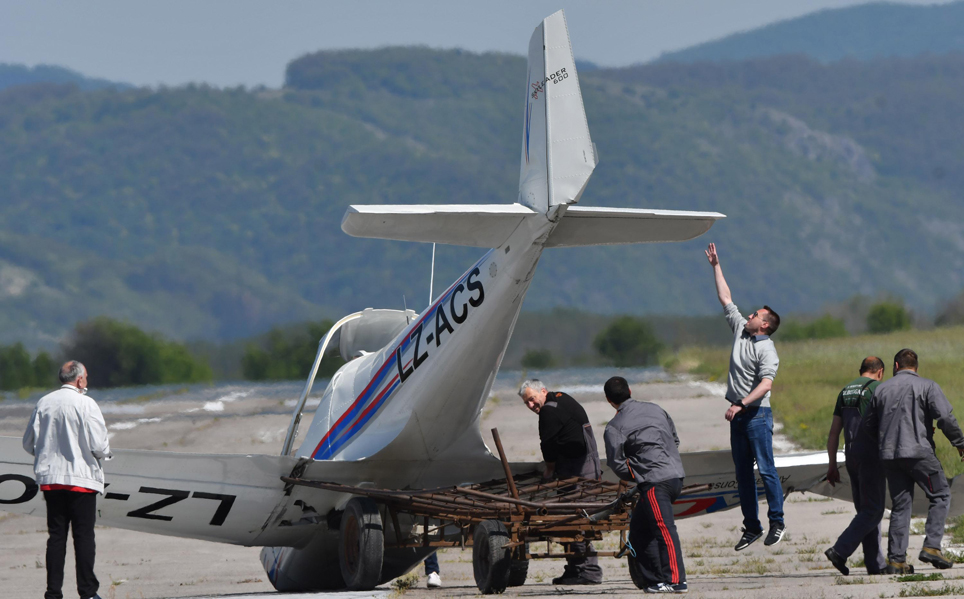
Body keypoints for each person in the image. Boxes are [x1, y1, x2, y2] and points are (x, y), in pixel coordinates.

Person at [704, 242, 785, 550]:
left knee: (766, 468)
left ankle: (777, 521)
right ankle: (752, 527)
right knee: (742, 474)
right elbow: (726, 298)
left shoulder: (767, 349)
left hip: (756, 415)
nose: (749, 314)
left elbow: (766, 385)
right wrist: (716, 266)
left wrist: (741, 403)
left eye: (756, 314)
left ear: (764, 324)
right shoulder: (740, 329)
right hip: (737, 416)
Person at [860, 348, 964, 572]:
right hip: (919, 454)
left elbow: (867, 425)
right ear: (916, 367)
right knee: (941, 494)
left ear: (896, 366)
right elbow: (945, 417)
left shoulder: (881, 389)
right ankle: (932, 547)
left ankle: (896, 560)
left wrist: (883, 441)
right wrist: (960, 442)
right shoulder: (927, 386)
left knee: (901, 505)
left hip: (889, 456)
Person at [23, 361, 111, 599]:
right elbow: (100, 445)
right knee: (83, 536)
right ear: (80, 380)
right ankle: (88, 592)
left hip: (52, 480)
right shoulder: (87, 403)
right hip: (81, 480)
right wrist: (102, 455)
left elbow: (28, 443)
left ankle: (53, 593)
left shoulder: (44, 402)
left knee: (56, 537)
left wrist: (48, 454)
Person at [603, 376, 687, 594]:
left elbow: (616, 463)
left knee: (664, 530)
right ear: (630, 390)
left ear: (608, 400)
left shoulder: (614, 426)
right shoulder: (656, 409)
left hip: (655, 483)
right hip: (676, 476)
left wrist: (637, 472)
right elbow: (675, 439)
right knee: (639, 530)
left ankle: (676, 581)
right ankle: (654, 581)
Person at [519, 379, 602, 585]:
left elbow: (547, 445)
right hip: (588, 463)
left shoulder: (548, 411)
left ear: (543, 391)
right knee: (581, 518)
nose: (531, 406)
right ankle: (577, 568)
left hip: (577, 468)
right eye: (526, 403)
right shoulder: (562, 397)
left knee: (574, 519)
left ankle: (586, 571)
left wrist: (549, 469)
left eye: (532, 399)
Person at [824, 357, 888, 575]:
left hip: (850, 455)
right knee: (873, 510)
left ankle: (875, 564)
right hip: (870, 455)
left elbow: (834, 432)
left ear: (861, 370)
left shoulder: (845, 391)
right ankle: (840, 550)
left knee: (866, 510)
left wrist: (832, 464)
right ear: (879, 372)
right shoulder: (878, 389)